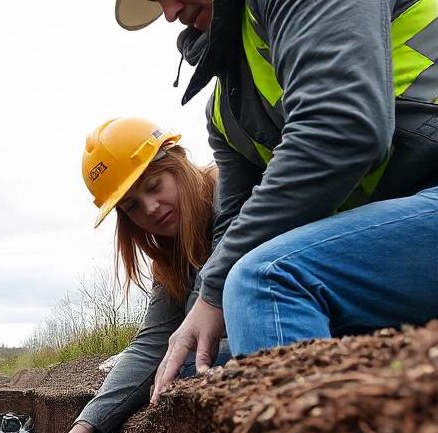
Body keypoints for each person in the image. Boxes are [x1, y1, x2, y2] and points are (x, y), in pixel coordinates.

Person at [111, 0, 438, 401]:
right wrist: (87, 424)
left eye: (153, 186)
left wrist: (215, 291)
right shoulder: (223, 111)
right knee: (203, 362)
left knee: (264, 280)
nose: (170, 12)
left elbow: (341, 126)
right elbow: (232, 226)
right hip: (393, 253)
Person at [23, 117, 222, 433]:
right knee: (174, 371)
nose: (151, 208)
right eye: (131, 205)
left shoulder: (230, 195)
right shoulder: (170, 256)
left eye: (154, 186)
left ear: (176, 161)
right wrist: (84, 426)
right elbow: (151, 344)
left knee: (183, 373)